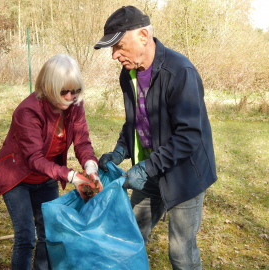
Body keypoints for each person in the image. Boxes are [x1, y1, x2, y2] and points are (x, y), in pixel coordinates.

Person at [94, 6, 217, 270]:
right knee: (131, 236)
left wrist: (147, 166)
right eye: (112, 49)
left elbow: (189, 135)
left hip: (185, 173)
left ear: (142, 35)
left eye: (119, 46)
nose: (115, 55)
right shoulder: (129, 75)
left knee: (181, 253)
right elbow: (136, 121)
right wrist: (120, 150)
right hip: (149, 171)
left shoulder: (179, 72)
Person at [0, 54, 102, 270]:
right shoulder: (28, 111)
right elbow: (34, 159)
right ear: (49, 86)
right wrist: (72, 177)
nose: (71, 96)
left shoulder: (75, 106)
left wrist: (90, 166)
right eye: (64, 91)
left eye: (76, 90)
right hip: (17, 176)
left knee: (48, 233)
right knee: (26, 236)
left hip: (47, 176)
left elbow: (82, 142)